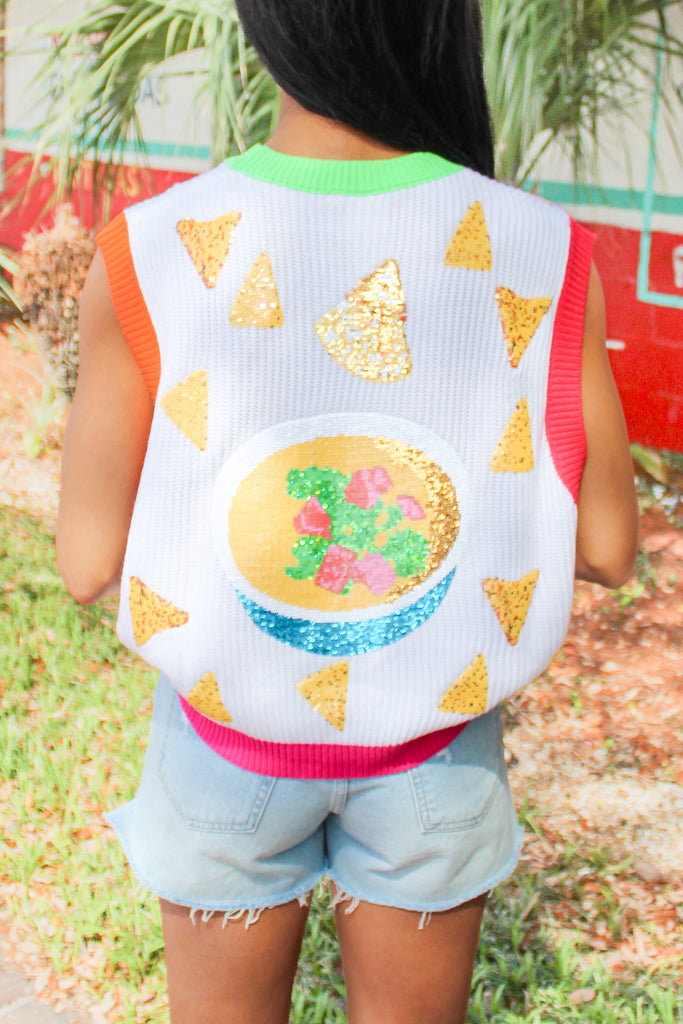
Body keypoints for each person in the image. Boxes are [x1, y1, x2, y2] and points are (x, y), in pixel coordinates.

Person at [56, 1, 640, 1021]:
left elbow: (84, 560)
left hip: (221, 743)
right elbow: (605, 547)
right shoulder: (545, 249)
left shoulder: (148, 248)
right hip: (436, 750)